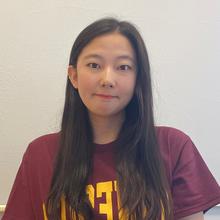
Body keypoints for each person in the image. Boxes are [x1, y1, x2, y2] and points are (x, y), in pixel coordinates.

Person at [2, 17, 220, 220]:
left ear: (137, 79)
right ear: (74, 76)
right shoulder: (40, 154)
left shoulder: (174, 146)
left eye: (123, 67)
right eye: (94, 65)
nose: (107, 79)